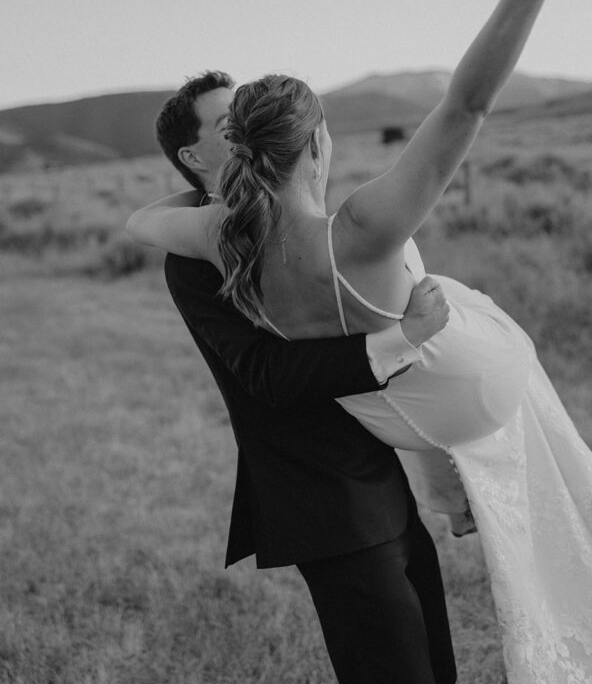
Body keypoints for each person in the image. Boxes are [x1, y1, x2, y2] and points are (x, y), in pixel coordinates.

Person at [129, 0, 592, 684]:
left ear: (242, 153)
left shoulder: (217, 239)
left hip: (408, 447)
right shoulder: (364, 229)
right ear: (317, 142)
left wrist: (214, 198)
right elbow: (467, 102)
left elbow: (141, 220)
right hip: (427, 436)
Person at [147, 71, 460, 684]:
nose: (242, 129)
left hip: (382, 486)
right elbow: (266, 375)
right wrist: (399, 339)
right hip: (323, 503)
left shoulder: (301, 229)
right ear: (192, 156)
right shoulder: (196, 256)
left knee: (436, 667)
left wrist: (448, 477)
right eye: (224, 125)